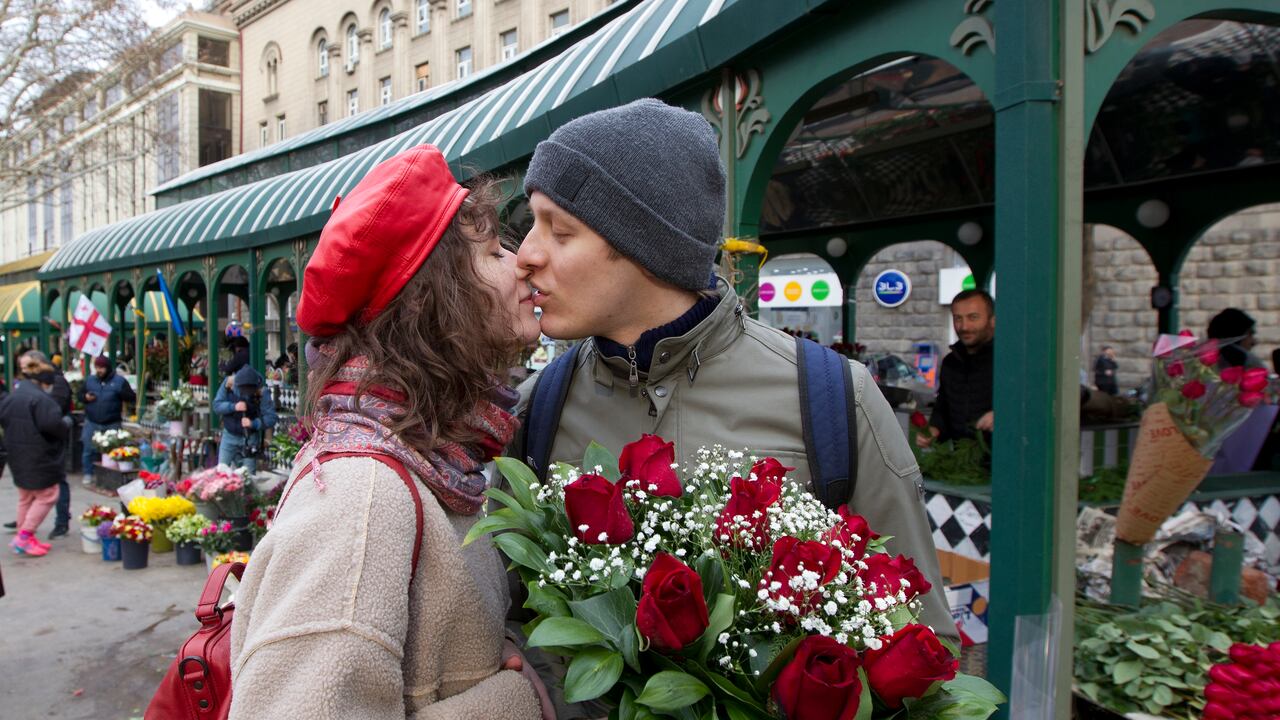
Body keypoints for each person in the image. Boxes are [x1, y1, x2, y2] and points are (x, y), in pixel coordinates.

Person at [512, 99, 952, 640]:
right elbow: (508, 623)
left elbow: (923, 643)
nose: (524, 255)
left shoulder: (833, 398)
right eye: (530, 224)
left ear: (646, 244)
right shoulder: (541, 405)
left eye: (559, 231)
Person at [229, 145, 549, 719]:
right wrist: (511, 703)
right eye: (494, 249)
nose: (522, 260)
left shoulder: (437, 462)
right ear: (437, 297)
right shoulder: (363, 497)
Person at [1, 367, 69, 556]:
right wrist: (65, 424)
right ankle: (24, 535)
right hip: (37, 455)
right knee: (48, 494)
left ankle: (24, 538)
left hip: (16, 453)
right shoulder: (41, 400)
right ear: (44, 383)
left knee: (26, 496)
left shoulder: (13, 396)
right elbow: (53, 425)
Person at [918, 289, 995, 449]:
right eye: (958, 318)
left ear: (992, 320)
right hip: (961, 462)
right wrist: (934, 430)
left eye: (973, 317)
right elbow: (942, 410)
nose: (964, 326)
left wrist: (1002, 415)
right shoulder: (950, 363)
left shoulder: (1007, 361)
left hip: (1002, 464)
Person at [18, 351, 73, 538]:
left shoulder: (55, 382)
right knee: (30, 489)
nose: (24, 371)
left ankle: (61, 521)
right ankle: (24, 526)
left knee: (56, 482)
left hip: (50, 442)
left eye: (27, 366)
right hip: (33, 442)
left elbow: (53, 413)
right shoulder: (29, 387)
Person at [78, 355, 137, 485]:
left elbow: (131, 397)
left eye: (101, 367)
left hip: (112, 421)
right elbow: (79, 395)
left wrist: (122, 394)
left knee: (114, 450)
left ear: (108, 368)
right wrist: (85, 397)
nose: (99, 370)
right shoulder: (90, 380)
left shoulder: (119, 381)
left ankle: (112, 476)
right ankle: (88, 473)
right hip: (92, 421)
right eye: (97, 367)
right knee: (88, 449)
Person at [213, 364, 278, 473]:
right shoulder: (228, 383)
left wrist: (253, 423)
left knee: (248, 476)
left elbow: (271, 418)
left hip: (250, 438)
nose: (246, 394)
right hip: (229, 436)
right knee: (221, 472)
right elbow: (216, 406)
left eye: (249, 391)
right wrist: (233, 406)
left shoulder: (262, 391)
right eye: (242, 390)